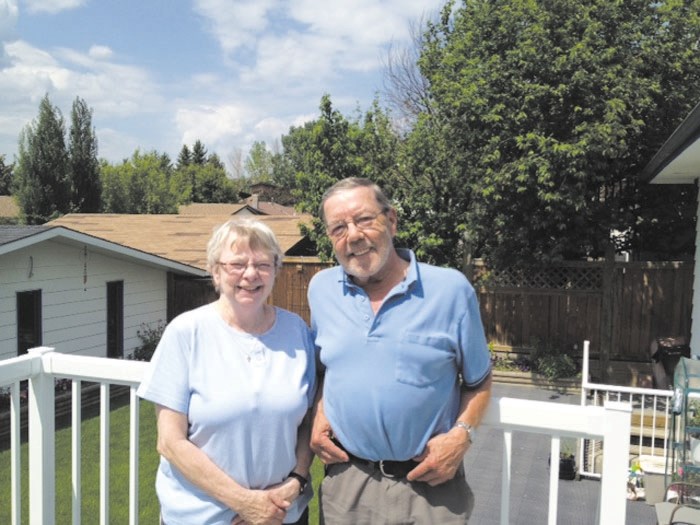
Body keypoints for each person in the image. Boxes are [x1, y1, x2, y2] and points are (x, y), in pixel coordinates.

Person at [308, 177, 492, 524]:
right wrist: (320, 410)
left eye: (364, 219)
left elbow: (479, 381)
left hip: (430, 484)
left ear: (391, 220)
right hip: (347, 484)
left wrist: (461, 437)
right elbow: (324, 370)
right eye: (338, 228)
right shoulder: (321, 290)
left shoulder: (450, 290)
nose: (354, 236)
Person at [137, 218, 316, 525]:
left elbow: (308, 421)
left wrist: (295, 482)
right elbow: (170, 441)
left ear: (275, 270)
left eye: (262, 263)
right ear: (216, 272)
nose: (250, 274)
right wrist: (246, 503)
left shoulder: (297, 331)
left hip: (283, 514)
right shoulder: (186, 333)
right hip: (201, 517)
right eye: (237, 264)